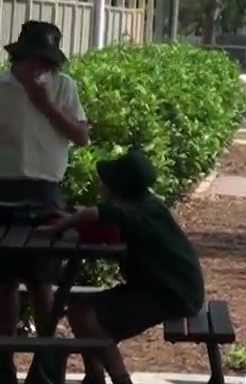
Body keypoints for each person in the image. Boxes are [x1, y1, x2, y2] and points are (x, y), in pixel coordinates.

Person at [46, 149, 205, 384]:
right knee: (81, 311)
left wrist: (57, 226)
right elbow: (102, 217)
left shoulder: (131, 211)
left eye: (106, 183)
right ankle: (94, 376)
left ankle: (118, 379)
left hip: (171, 294)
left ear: (118, 189)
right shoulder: (149, 206)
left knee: (85, 315)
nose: (101, 186)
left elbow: (94, 213)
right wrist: (71, 215)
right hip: (171, 288)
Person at [0, 21, 89, 384]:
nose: (41, 70)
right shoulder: (2, 89)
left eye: (47, 64)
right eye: (35, 61)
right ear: (20, 58)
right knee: (3, 282)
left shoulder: (64, 87)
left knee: (42, 281)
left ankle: (46, 363)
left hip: (45, 191)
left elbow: (81, 135)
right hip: (3, 189)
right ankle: (4, 363)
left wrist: (45, 104)